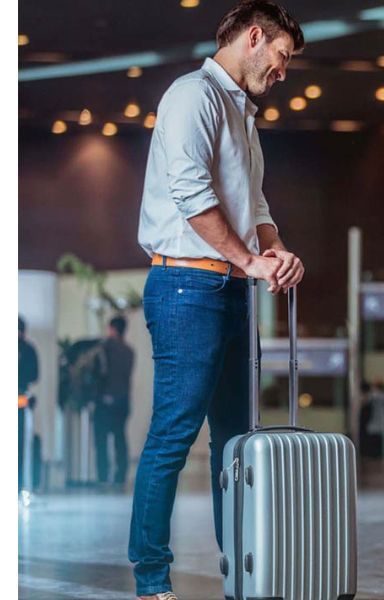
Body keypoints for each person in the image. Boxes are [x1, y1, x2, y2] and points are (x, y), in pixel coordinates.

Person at [129, 3, 306, 598]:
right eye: (281, 58)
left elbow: (253, 208)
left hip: (231, 289)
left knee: (235, 440)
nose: (282, 74)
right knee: (173, 435)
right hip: (185, 286)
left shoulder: (243, 116)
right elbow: (190, 191)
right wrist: (249, 259)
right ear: (255, 38)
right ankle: (152, 579)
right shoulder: (193, 95)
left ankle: (242, 573)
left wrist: (275, 251)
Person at [95, 316, 135, 486]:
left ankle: (103, 476)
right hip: (123, 400)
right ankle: (120, 476)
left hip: (105, 400)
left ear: (112, 328)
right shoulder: (129, 351)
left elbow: (98, 374)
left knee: (101, 440)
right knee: (120, 438)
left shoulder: (104, 348)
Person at [18, 317, 39, 489]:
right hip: (21, 398)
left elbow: (34, 375)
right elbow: (34, 375)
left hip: (21, 400)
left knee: (20, 444)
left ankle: (19, 484)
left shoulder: (28, 350)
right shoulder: (29, 349)